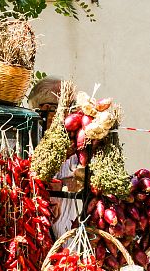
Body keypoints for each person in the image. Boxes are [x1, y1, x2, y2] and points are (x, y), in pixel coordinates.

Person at [27, 77, 84, 238]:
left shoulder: (75, 140)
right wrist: (46, 191)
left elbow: (86, 179)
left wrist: (67, 184)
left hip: (67, 235)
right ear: (46, 109)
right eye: (68, 106)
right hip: (35, 230)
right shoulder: (28, 139)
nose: (73, 113)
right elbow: (26, 180)